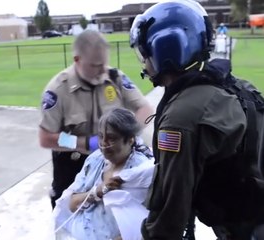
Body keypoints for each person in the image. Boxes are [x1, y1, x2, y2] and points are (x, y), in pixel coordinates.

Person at [129, 1, 264, 240]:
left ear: (163, 48)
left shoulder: (180, 118)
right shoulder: (239, 87)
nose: (145, 62)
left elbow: (169, 214)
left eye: (145, 53)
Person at [38, 29, 153, 208]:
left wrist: (128, 136)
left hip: (113, 162)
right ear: (77, 60)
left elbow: (145, 110)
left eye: (104, 64)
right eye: (95, 66)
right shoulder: (58, 89)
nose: (102, 71)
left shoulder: (114, 78)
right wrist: (84, 143)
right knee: (68, 215)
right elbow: (46, 138)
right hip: (73, 166)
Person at [53, 108, 155, 240]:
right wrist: (97, 192)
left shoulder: (142, 172)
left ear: (130, 140)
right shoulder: (95, 160)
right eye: (101, 136)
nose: (103, 144)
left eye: (111, 138)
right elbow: (72, 205)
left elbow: (144, 223)